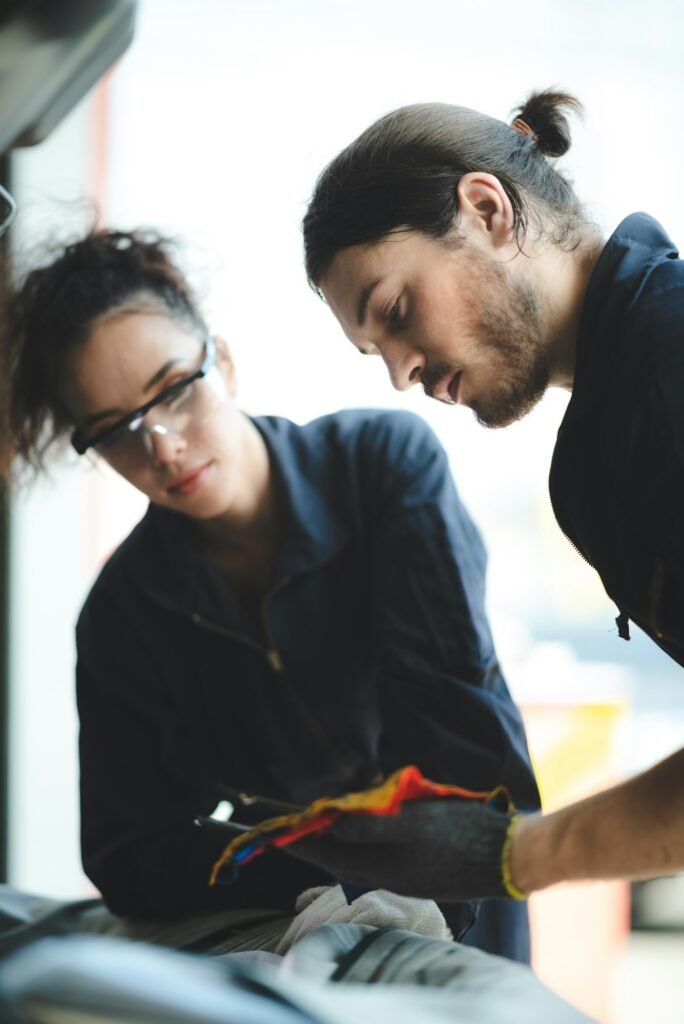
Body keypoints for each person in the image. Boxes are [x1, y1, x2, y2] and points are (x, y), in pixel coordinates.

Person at [1, 228, 540, 961]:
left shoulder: (381, 470)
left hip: (465, 880)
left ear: (220, 359)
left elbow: (457, 738)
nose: (162, 445)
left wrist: (380, 876)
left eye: (173, 391)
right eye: (118, 431)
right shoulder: (123, 612)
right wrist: (308, 878)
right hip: (295, 918)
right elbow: (129, 853)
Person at [287, 89, 684, 902]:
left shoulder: (668, 371)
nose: (402, 375)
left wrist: (516, 854)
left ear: (487, 210)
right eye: (375, 354)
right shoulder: (610, 432)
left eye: (396, 311)